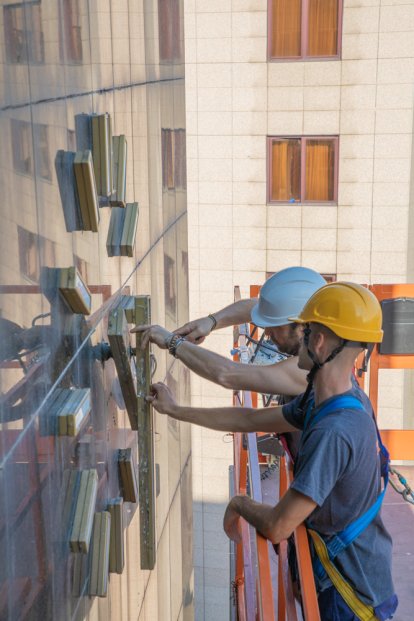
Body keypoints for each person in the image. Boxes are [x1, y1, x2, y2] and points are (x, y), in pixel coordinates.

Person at [147, 282, 398, 620]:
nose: (297, 340)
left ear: (319, 341)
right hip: (350, 578)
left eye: (306, 330)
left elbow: (279, 525)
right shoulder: (324, 400)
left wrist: (239, 502)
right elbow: (249, 417)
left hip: (351, 598)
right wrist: (176, 411)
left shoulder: (333, 431)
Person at [132, 266, 327, 459]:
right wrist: (212, 321)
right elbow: (248, 420)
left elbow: (227, 375)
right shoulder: (326, 345)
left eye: (274, 327)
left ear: (302, 326)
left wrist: (172, 342)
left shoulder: (312, 376)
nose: (267, 333)